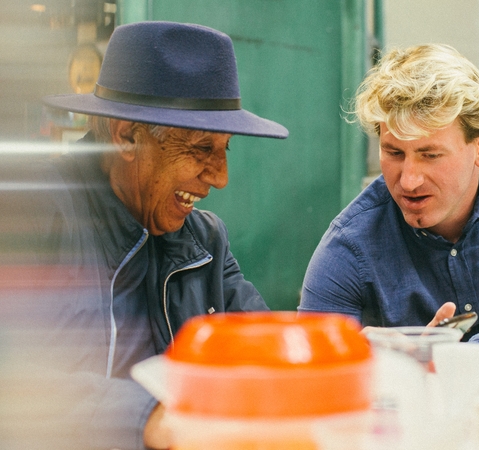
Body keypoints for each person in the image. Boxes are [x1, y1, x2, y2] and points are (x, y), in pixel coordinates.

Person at [0, 21, 287, 449]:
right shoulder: (30, 214)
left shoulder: (205, 242)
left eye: (224, 149)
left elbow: (266, 346)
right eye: (201, 148)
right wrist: (150, 418)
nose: (221, 178)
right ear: (128, 137)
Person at [298, 44, 479, 345]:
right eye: (394, 152)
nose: (408, 181)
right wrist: (370, 362)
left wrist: (430, 356)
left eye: (430, 155)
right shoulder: (349, 245)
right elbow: (312, 367)